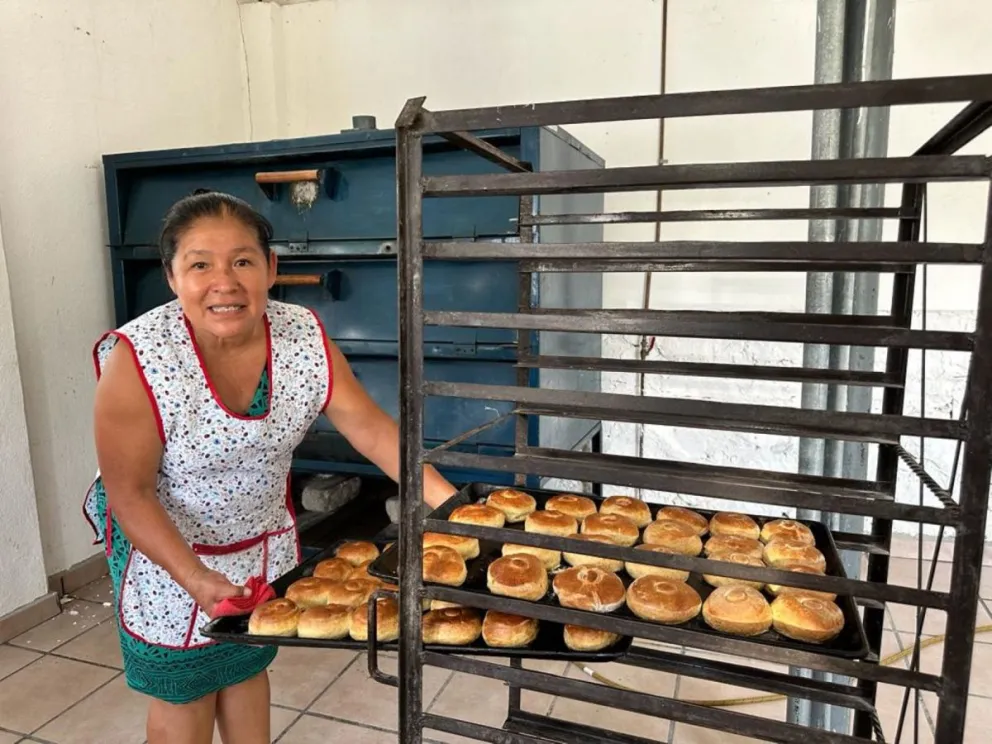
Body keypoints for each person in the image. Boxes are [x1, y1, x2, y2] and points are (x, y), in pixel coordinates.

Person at [83, 191, 457, 744]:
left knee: (245, 669)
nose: (224, 283)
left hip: (258, 536)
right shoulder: (139, 359)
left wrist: (454, 508)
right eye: (200, 264)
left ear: (271, 267)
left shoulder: (301, 335)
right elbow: (130, 493)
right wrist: (196, 578)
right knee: (184, 699)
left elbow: (372, 429)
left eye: (242, 261)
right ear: (171, 276)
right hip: (165, 555)